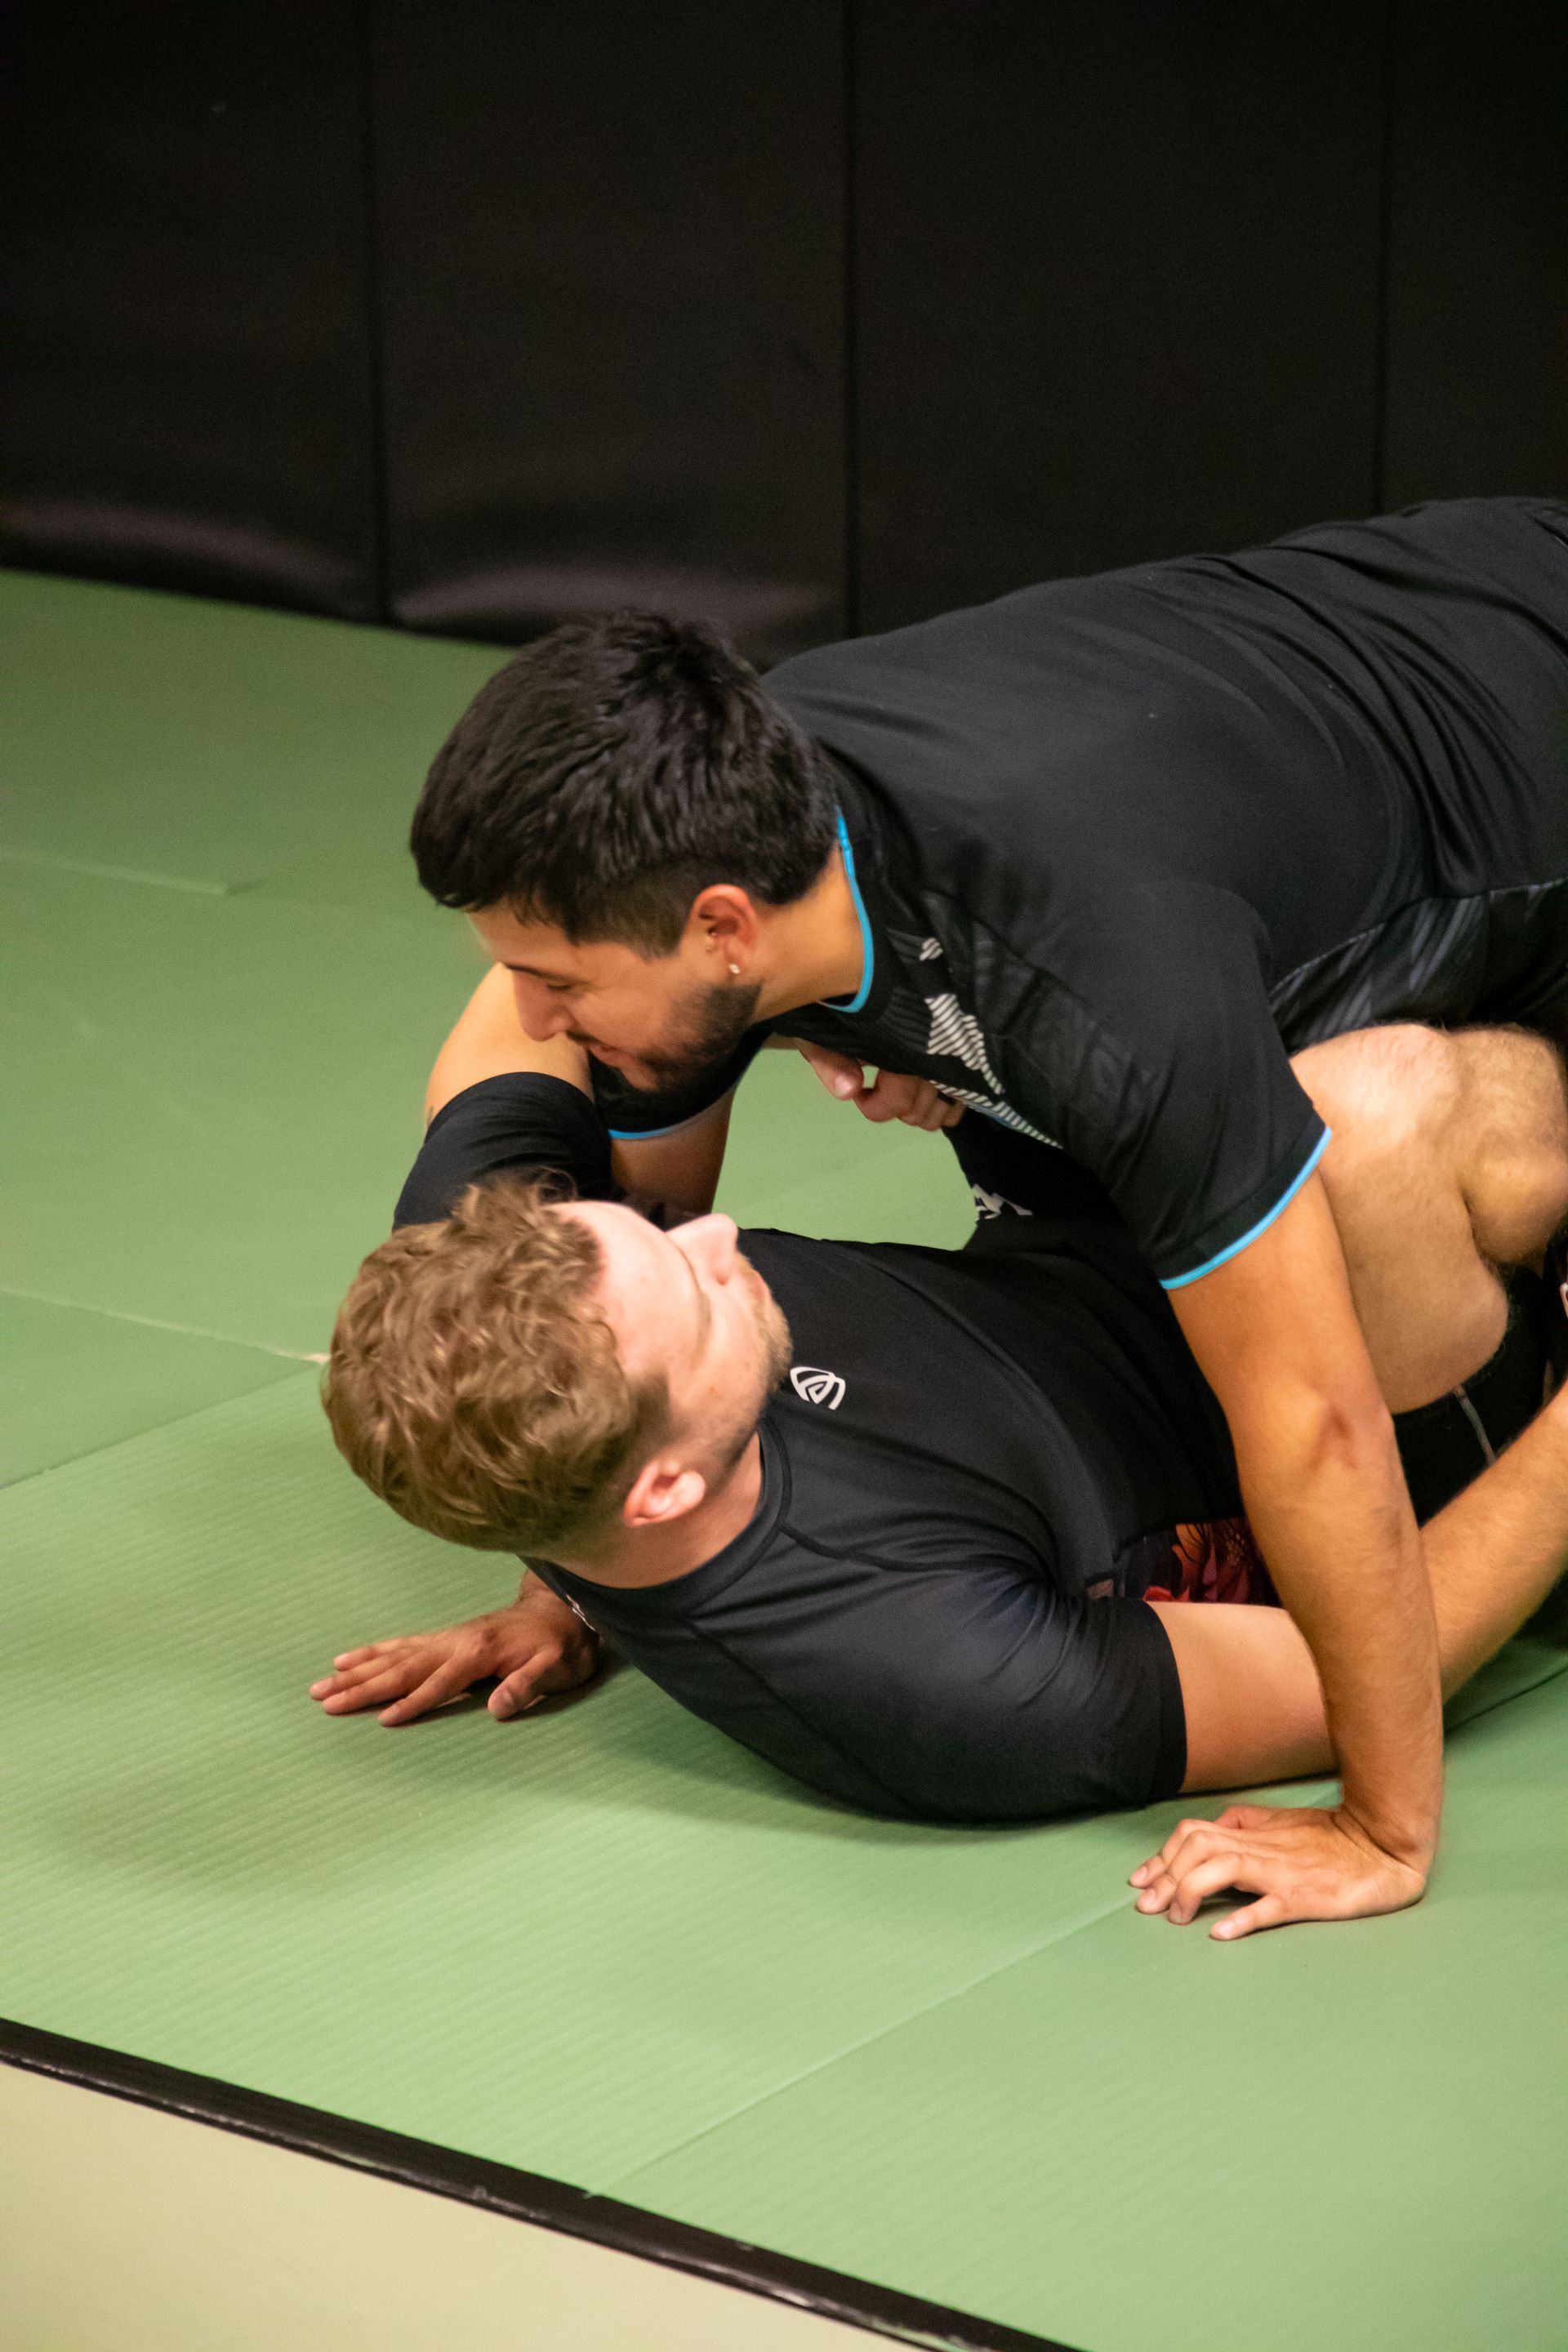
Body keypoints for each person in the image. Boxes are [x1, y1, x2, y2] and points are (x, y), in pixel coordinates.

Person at [397, 496, 1568, 1930]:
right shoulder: (734, 833)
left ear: (722, 928)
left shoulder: (1099, 981)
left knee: (1366, 1121)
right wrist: (575, 1561)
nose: (533, 1021)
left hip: (1520, 764)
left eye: (559, 983)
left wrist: (1387, 1830)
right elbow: (611, 1300)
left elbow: (1313, 1424)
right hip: (1378, 665)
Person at [314, 995, 1568, 1939]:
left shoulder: (497, 1284)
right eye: (692, 1287)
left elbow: (533, 978)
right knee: (1378, 1103)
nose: (711, 1230)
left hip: (1091, 1244)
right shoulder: (920, 1667)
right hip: (1365, 1439)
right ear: (662, 1492)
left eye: (649, 1232)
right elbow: (1382, 1651)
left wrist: (575, 1593)